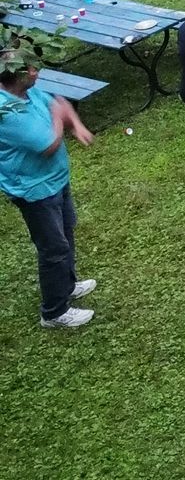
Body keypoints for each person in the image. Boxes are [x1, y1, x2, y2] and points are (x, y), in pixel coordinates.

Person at [0, 54, 97, 328]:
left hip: (54, 180)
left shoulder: (27, 92)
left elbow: (60, 103)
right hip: (35, 191)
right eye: (32, 69)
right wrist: (58, 119)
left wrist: (76, 124)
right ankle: (54, 312)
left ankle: (66, 285)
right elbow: (47, 146)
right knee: (53, 248)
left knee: (66, 232)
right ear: (17, 76)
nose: (36, 71)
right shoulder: (8, 114)